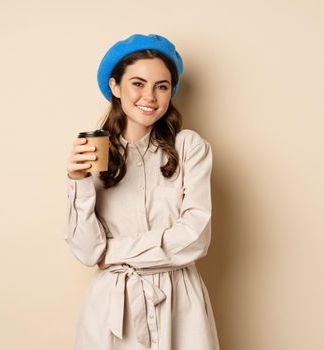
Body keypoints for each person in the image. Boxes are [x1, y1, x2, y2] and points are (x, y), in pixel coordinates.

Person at [65, 33, 220, 350]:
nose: (149, 96)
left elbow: (195, 237)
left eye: (161, 86)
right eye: (138, 83)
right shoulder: (95, 153)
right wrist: (78, 180)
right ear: (115, 86)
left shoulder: (188, 147)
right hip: (113, 309)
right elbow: (86, 251)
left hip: (180, 304)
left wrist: (113, 252)